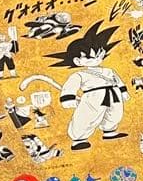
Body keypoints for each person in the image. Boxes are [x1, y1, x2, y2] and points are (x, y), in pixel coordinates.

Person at [47, 20, 129, 151]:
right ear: (78, 61)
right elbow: (71, 86)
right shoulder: (80, 74)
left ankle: (109, 130)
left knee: (115, 113)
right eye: (91, 57)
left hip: (114, 94)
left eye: (99, 55)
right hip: (93, 97)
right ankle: (79, 139)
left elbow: (117, 81)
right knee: (87, 116)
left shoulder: (109, 71)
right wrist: (68, 98)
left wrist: (123, 91)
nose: (96, 59)